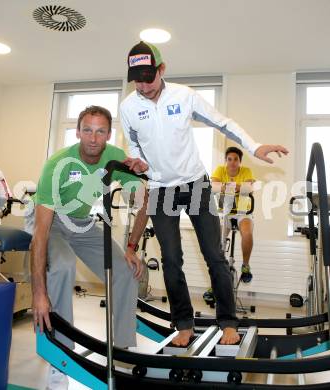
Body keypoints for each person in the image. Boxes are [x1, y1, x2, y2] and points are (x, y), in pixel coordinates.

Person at [120, 41, 288, 347]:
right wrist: (139, 164)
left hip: (195, 184)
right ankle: (183, 324)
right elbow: (133, 145)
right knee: (171, 259)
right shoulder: (129, 107)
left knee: (214, 255)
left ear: (162, 69)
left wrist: (254, 146)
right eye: (137, 79)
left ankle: (228, 322)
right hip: (160, 189)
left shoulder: (184, 96)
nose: (143, 86)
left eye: (149, 76)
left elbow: (223, 123)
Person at [30, 105, 145, 389]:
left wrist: (131, 246)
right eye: (88, 130)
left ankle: (122, 351)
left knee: (126, 270)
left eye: (101, 131)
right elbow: (40, 235)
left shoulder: (115, 157)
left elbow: (147, 199)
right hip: (51, 222)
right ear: (78, 131)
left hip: (82, 222)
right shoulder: (57, 165)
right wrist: (38, 294)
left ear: (108, 134)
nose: (94, 138)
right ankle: (61, 358)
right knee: (63, 266)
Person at [211, 146, 255, 283]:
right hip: (226, 211)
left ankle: (245, 265)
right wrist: (237, 186)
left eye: (235, 159)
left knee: (247, 234)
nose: (232, 162)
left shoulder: (246, 171)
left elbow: (249, 189)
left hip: (243, 211)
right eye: (229, 159)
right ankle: (215, 284)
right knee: (217, 243)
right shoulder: (220, 170)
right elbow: (212, 187)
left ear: (239, 161)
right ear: (226, 160)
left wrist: (225, 186)